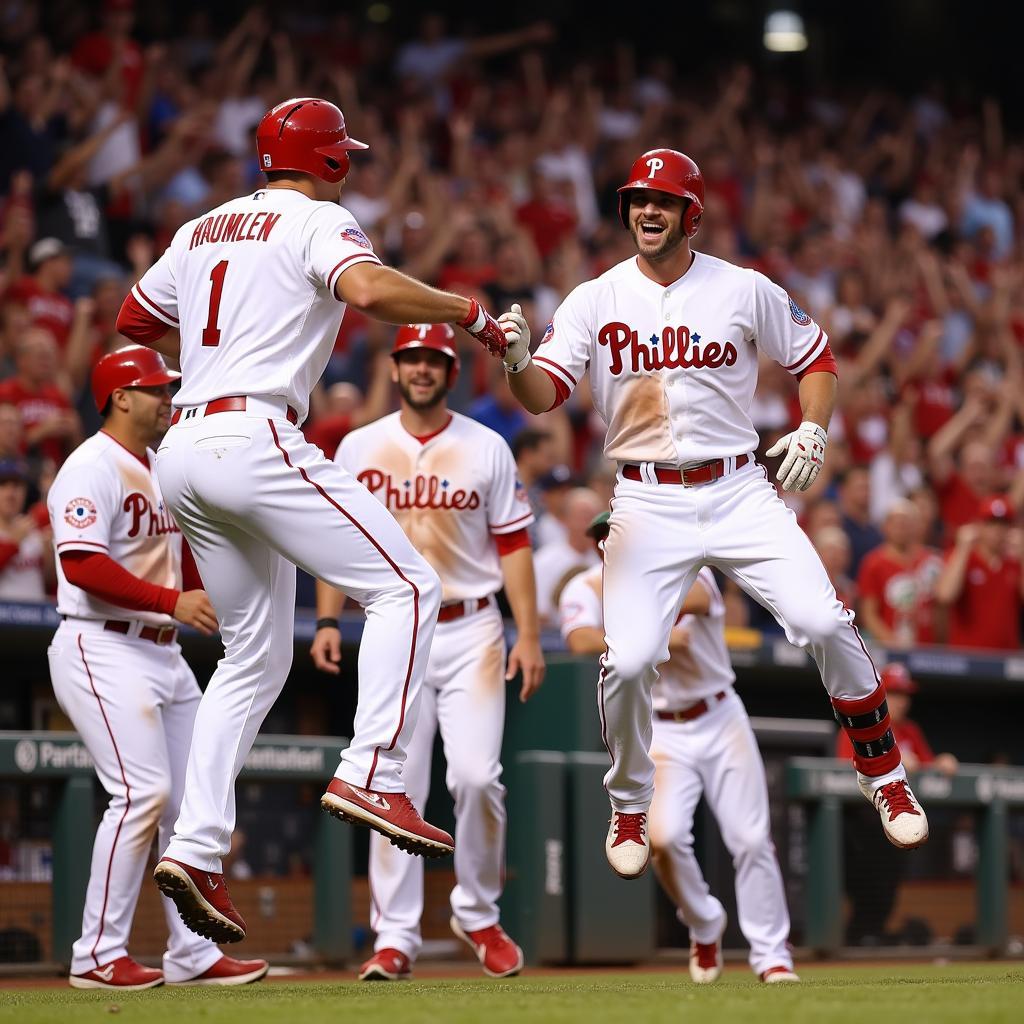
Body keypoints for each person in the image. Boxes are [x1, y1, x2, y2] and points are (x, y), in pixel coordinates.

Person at [112, 97, 510, 943]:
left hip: (182, 443)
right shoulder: (313, 220)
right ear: (328, 162)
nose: (352, 168)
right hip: (254, 432)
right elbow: (366, 289)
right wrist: (466, 311)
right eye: (347, 157)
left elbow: (133, 322)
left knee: (252, 659)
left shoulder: (200, 228)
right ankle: (372, 767)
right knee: (408, 585)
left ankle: (196, 845)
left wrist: (221, 344)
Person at [497, 148, 929, 881]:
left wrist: (815, 426)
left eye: (662, 201)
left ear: (691, 212)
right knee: (628, 661)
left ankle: (882, 767)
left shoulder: (743, 288)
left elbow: (817, 360)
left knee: (825, 621)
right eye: (637, 200)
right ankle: (631, 799)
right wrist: (513, 361)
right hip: (644, 495)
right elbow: (545, 394)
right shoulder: (595, 296)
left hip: (737, 488)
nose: (647, 212)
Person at [311, 323, 544, 981]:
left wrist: (527, 632)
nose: (421, 369)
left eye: (433, 360)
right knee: (392, 785)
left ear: (451, 370)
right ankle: (395, 936)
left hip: (471, 625)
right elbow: (334, 541)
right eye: (411, 358)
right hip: (391, 628)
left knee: (476, 777)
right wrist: (327, 620)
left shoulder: (487, 446)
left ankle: (477, 913)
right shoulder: (359, 446)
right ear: (394, 366)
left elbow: (514, 545)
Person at [46, 348, 267, 989]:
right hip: (100, 644)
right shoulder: (90, 465)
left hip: (161, 650)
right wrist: (174, 602)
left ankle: (192, 951)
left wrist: (207, 601)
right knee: (142, 793)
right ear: (119, 397)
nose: (168, 398)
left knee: (194, 801)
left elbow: (183, 555)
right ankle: (96, 952)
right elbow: (81, 564)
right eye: (155, 389)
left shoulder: (160, 464)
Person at [560, 511, 798, 984]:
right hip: (662, 729)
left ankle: (772, 955)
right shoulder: (585, 585)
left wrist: (635, 620)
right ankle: (704, 920)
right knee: (662, 840)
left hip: (718, 714)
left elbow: (691, 604)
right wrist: (651, 633)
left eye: (620, 533)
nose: (610, 543)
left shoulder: (693, 567)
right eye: (603, 537)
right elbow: (578, 638)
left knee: (750, 838)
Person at [837, 662, 958, 945]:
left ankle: (871, 937)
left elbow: (928, 764)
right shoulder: (858, 727)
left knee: (889, 883)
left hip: (897, 826)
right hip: (860, 828)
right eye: (893, 694)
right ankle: (857, 937)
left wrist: (940, 763)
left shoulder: (911, 731)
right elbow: (844, 774)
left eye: (905, 695)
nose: (901, 701)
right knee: (868, 885)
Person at [934, 495, 1023, 650]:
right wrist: (963, 548)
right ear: (979, 526)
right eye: (991, 523)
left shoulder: (1015, 562)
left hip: (1006, 657)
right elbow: (945, 595)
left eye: (1003, 524)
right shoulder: (962, 557)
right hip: (965, 657)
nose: (997, 530)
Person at [0, 458, 52, 600]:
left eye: (17, 485)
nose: (11, 493)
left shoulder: (34, 530)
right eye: (3, 485)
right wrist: (12, 543)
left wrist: (51, 554)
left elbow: (51, 583)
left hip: (37, 618)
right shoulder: (24, 532)